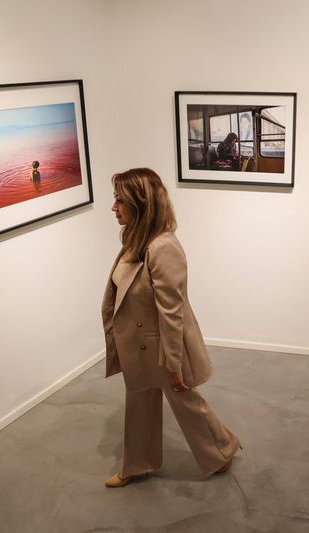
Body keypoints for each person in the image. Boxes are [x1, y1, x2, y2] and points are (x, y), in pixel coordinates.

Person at [101, 167, 241, 488]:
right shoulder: (135, 240)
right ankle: (137, 465)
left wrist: (174, 362)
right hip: (138, 343)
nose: (114, 207)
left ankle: (222, 448)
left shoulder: (162, 247)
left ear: (140, 202)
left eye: (119, 200)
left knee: (185, 401)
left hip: (159, 344)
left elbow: (172, 311)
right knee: (138, 405)